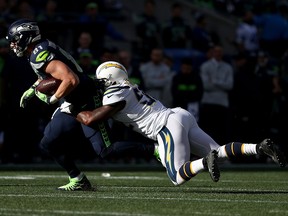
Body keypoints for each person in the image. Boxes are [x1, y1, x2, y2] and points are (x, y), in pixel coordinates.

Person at [70, 61, 286, 186]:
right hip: (179, 115)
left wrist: (72, 108)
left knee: (176, 177)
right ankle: (259, 147)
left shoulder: (114, 94)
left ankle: (203, 162)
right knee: (219, 152)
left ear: (108, 78)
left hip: (164, 126)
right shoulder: (129, 87)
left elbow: (91, 119)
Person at [5, 19, 155, 191]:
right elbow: (49, 75)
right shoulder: (39, 51)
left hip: (88, 101)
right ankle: (78, 179)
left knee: (105, 150)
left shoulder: (40, 53)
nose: (13, 45)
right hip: (72, 103)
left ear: (26, 37)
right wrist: (33, 89)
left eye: (15, 40)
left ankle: (154, 150)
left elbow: (70, 79)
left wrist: (51, 100)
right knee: (48, 142)